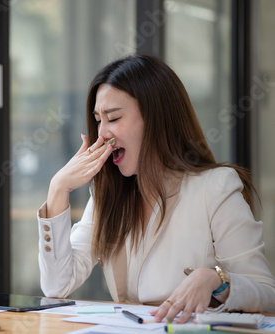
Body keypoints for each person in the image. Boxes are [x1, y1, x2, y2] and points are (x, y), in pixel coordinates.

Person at [37, 54, 275, 323]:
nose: (102, 133)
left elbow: (266, 294)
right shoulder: (107, 195)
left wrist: (215, 279)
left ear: (155, 118)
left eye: (113, 118)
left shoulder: (216, 186)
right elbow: (56, 286)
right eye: (98, 120)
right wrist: (58, 189)